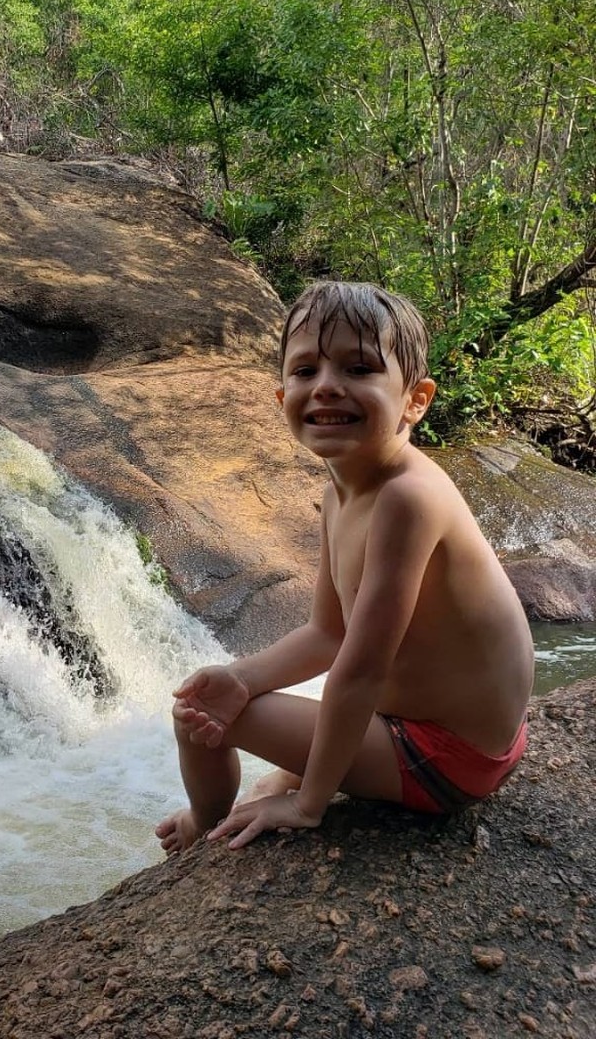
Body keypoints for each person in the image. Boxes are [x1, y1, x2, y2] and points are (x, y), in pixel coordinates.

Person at [155, 281, 534, 853]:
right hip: (428, 728)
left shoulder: (409, 498)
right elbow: (328, 633)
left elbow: (361, 671)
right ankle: (247, 797)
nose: (327, 387)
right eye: (305, 371)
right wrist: (243, 677)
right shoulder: (340, 494)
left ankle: (203, 824)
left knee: (202, 720)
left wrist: (308, 804)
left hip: (447, 756)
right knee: (213, 697)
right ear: (280, 393)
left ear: (416, 400)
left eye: (359, 369)